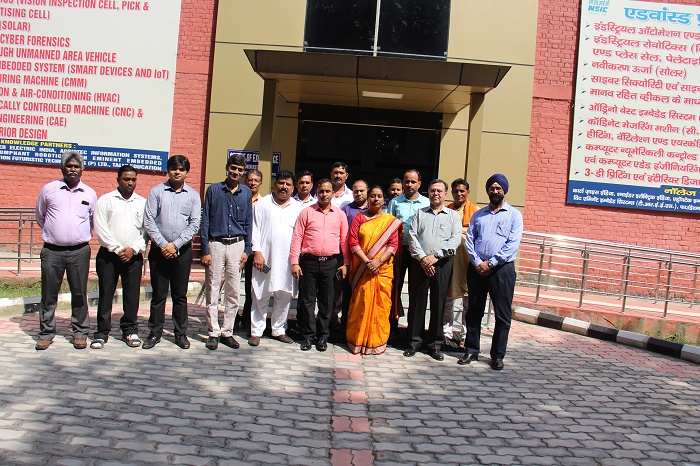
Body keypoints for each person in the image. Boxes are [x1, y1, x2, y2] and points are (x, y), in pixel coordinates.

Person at [34, 151, 97, 350]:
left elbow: (93, 221)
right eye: (69, 166)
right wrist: (56, 233)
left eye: (76, 167)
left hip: (79, 251)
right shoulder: (49, 190)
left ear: (82, 170)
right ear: (62, 168)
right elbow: (40, 216)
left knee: (79, 293)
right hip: (52, 251)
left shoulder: (89, 193)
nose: (72, 169)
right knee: (48, 293)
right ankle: (46, 333)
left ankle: (80, 332)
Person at [460, 174, 523, 370]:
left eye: (498, 188)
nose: (495, 191)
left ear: (504, 190)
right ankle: (471, 350)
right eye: (492, 188)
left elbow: (512, 244)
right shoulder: (479, 215)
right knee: (474, 312)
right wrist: (478, 262)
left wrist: (492, 263)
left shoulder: (514, 215)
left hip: (502, 270)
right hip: (477, 269)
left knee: (502, 315)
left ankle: (497, 355)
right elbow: (469, 240)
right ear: (487, 191)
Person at [143, 155, 201, 350]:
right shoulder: (157, 192)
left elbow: (194, 224)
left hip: (182, 252)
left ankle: (180, 333)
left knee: (180, 295)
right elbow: (149, 220)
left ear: (186, 172)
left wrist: (175, 245)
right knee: (158, 295)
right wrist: (163, 244)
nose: (177, 171)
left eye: (181, 169)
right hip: (159, 251)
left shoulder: (193, 195)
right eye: (174, 168)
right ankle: (155, 332)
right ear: (167, 170)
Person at [91, 165, 148, 349]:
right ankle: (101, 332)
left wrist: (135, 248)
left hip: (134, 256)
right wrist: (117, 249)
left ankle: (130, 330)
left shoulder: (143, 203)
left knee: (132, 295)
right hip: (109, 256)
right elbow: (100, 228)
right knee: (106, 293)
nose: (130, 183)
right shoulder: (106, 200)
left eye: (133, 179)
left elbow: (147, 231)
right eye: (126, 179)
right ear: (118, 179)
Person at [200, 153, 252, 350]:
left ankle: (227, 331)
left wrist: (247, 249)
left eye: (239, 170)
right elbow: (205, 220)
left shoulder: (246, 192)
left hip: (237, 245)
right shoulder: (213, 190)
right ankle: (213, 332)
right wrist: (205, 249)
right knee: (213, 289)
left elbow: (248, 222)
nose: (236, 172)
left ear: (242, 171)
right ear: (227, 167)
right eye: (233, 168)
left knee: (233, 291)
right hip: (216, 243)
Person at [404, 179, 461, 361]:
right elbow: (412, 237)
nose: (436, 194)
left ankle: (435, 344)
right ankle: (414, 342)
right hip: (420, 264)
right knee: (417, 302)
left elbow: (455, 240)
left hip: (442, 264)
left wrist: (435, 257)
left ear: (445, 194)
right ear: (428, 193)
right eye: (432, 190)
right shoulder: (420, 214)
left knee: (439, 303)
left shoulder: (452, 216)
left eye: (439, 191)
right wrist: (423, 259)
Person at [290, 179, 350, 352]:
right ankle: (308, 336)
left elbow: (345, 241)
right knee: (308, 301)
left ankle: (323, 337)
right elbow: (297, 238)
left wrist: (346, 263)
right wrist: (295, 262)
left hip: (330, 263)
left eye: (327, 191)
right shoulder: (306, 212)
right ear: (317, 192)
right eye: (321, 191)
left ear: (332, 193)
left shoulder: (339, 214)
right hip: (308, 263)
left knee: (327, 301)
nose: (324, 194)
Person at [249, 170, 304, 346]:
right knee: (260, 293)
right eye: (281, 183)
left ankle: (278, 330)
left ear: (293, 187)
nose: (284, 187)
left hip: (287, 262)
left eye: (288, 184)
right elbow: (254, 229)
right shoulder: (263, 204)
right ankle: (256, 331)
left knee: (284, 294)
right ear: (275, 184)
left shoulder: (298, 208)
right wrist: (257, 252)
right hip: (264, 261)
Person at [346, 186, 402, 355]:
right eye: (372, 196)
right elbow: (353, 242)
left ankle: (376, 341)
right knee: (360, 304)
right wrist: (367, 261)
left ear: (384, 199)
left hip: (382, 269)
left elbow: (393, 245)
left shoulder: (390, 221)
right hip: (362, 269)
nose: (375, 199)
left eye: (379, 196)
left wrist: (377, 262)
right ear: (368, 198)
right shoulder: (359, 218)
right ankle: (357, 340)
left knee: (380, 306)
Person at [386, 169, 429, 335]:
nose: (409, 184)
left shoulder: (426, 203)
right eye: (407, 181)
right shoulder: (395, 202)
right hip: (399, 251)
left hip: (418, 253)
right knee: (394, 287)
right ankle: (392, 327)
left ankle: (413, 331)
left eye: (413, 181)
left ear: (419, 183)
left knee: (416, 290)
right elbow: (388, 227)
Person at [442, 179, 478, 347]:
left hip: (467, 261)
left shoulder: (476, 213)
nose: (459, 194)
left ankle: (465, 335)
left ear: (467, 192)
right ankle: (445, 333)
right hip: (449, 261)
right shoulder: (446, 210)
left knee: (467, 300)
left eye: (462, 191)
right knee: (447, 297)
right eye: (456, 191)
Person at [333, 179, 369, 330]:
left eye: (362, 190)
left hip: (367, 259)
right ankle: (336, 321)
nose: (359, 193)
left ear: (367, 191)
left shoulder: (374, 211)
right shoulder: (345, 209)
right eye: (356, 191)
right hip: (347, 257)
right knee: (341, 290)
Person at [239, 168, 263, 334]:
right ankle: (233, 317)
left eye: (255, 181)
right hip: (237, 247)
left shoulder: (264, 203)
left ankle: (247, 319)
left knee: (251, 287)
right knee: (233, 285)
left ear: (260, 184)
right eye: (249, 180)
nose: (252, 183)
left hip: (253, 252)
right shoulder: (240, 198)